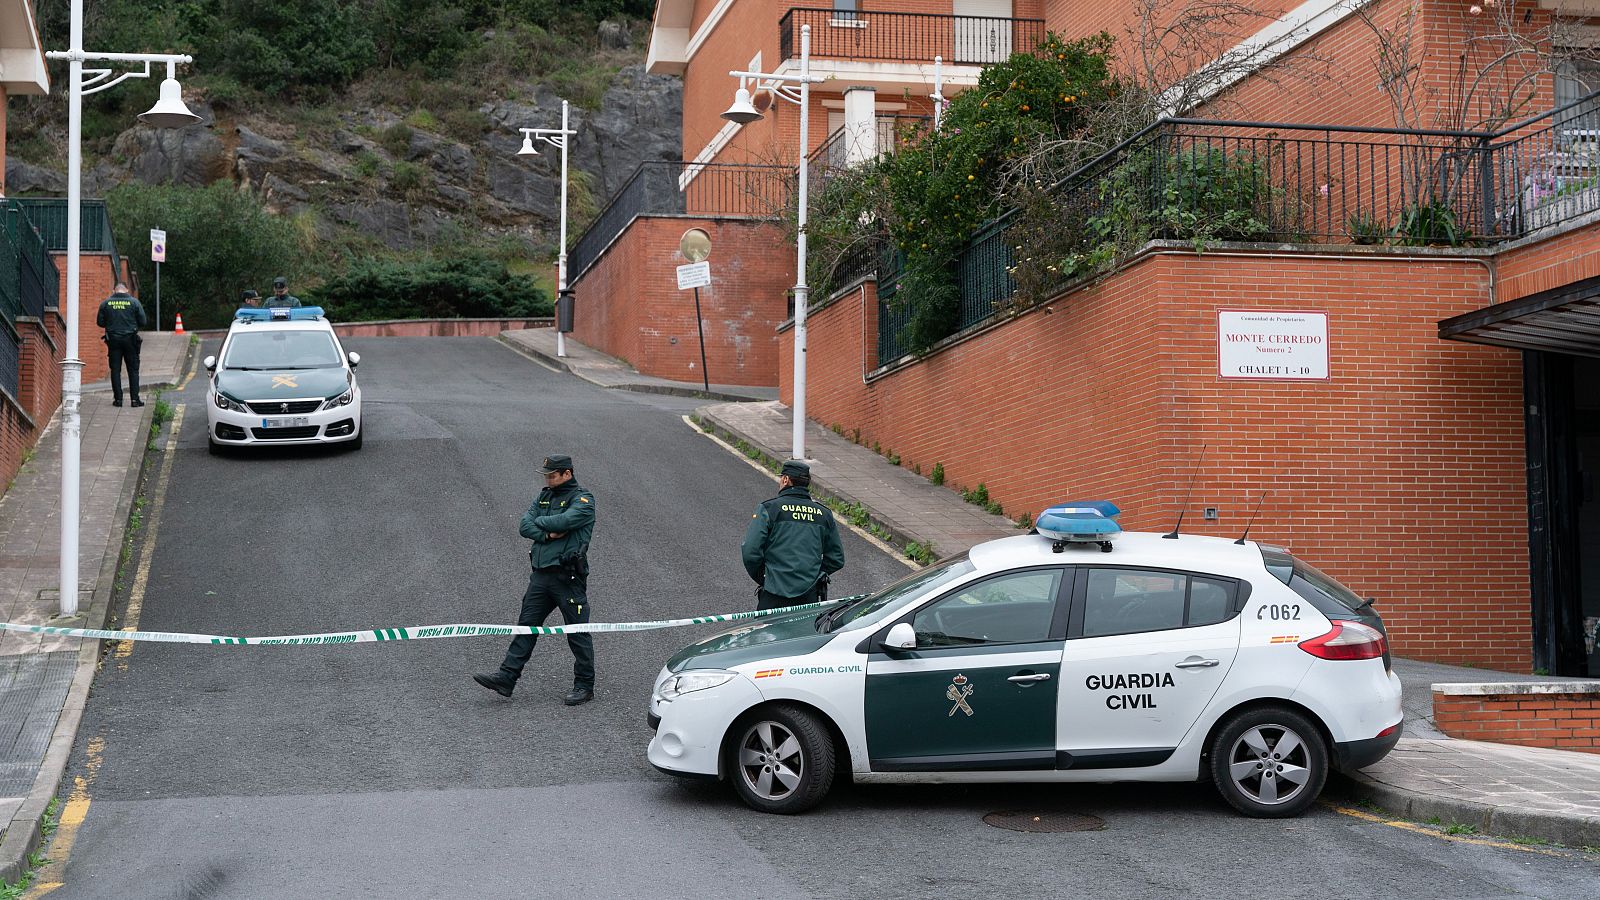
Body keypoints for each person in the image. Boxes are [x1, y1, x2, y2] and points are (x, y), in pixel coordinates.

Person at [475, 455, 597, 705]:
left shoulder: (584, 500)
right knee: (525, 628)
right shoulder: (544, 497)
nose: (548, 479)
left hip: (567, 577)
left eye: (553, 475)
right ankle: (507, 678)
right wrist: (549, 534)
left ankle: (584, 685)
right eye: (546, 475)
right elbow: (524, 525)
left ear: (567, 473)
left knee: (577, 632)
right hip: (541, 576)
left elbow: (565, 521)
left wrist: (539, 524)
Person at [741, 460, 845, 611]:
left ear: (785, 479)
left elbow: (750, 551)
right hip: (809, 595)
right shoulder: (823, 514)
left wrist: (765, 577)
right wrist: (814, 575)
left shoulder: (769, 509)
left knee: (766, 633)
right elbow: (836, 558)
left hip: (773, 593)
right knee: (804, 634)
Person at [96, 282, 146, 408]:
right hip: (130, 340)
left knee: (115, 370)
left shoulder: (106, 303)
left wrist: (111, 323)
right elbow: (143, 321)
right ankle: (135, 400)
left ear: (114, 290)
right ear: (127, 290)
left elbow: (100, 322)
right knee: (133, 370)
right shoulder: (134, 303)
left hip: (113, 340)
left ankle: (118, 400)